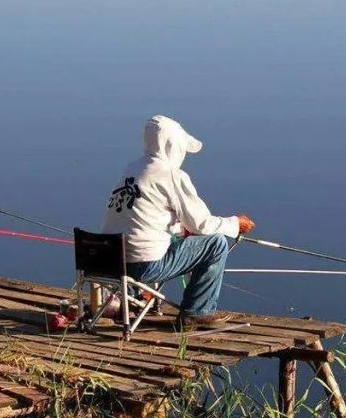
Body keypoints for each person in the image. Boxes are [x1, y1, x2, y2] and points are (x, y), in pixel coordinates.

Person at [102, 115, 256, 329]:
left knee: (170, 239)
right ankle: (197, 312)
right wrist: (234, 224)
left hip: (110, 263)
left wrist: (182, 228)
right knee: (216, 244)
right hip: (144, 267)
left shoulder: (132, 170)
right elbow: (201, 224)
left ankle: (129, 300)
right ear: (173, 146)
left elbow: (145, 217)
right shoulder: (171, 174)